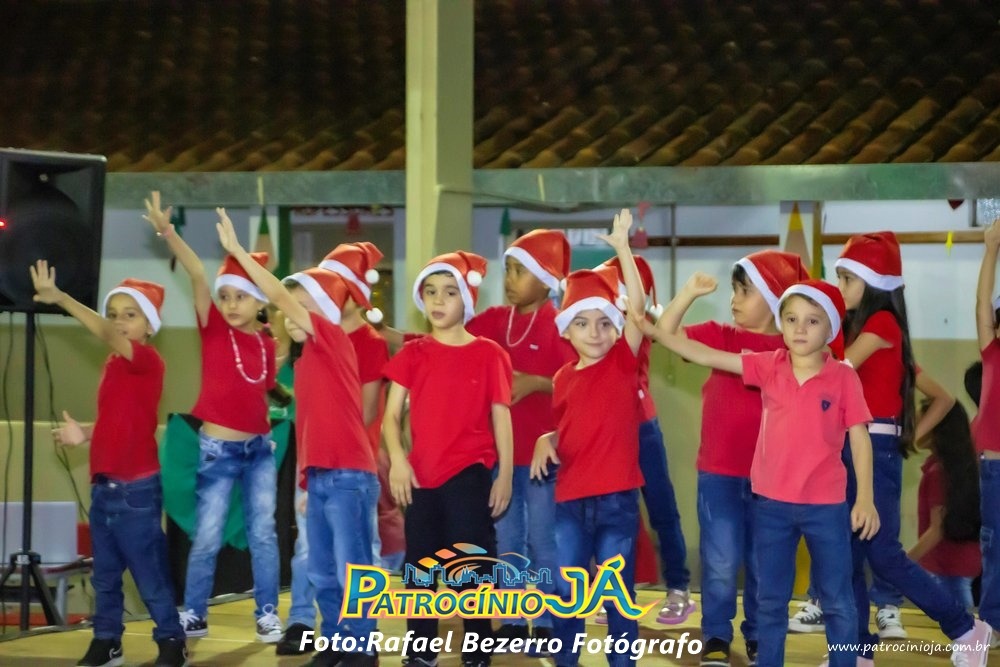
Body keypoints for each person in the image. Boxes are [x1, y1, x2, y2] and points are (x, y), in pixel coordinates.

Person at [640, 278, 879, 667]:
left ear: (831, 328)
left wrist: (865, 498)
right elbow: (704, 354)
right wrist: (656, 332)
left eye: (812, 321)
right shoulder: (768, 365)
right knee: (770, 601)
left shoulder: (844, 377)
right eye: (791, 319)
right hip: (772, 507)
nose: (800, 329)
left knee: (837, 600)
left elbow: (860, 438)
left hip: (826, 507)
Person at [217, 212, 379, 666]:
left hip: (350, 476)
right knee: (322, 570)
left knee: (352, 569)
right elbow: (309, 427)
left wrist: (239, 254)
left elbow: (276, 296)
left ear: (322, 310)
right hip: (321, 476)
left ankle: (362, 647)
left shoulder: (332, 339)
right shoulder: (305, 362)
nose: (290, 312)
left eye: (301, 304)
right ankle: (336, 640)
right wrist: (306, 481)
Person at [830, 231, 990, 665]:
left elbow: (838, 370)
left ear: (873, 283)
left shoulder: (882, 324)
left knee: (883, 554)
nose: (840, 287)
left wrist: (902, 435)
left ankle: (964, 627)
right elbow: (942, 397)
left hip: (873, 449)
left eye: (846, 279)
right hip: (855, 448)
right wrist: (909, 435)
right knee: (848, 557)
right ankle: (855, 652)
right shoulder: (873, 332)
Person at [656, 250, 808, 666]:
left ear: (774, 298)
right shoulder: (721, 335)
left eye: (745, 291)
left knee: (765, 562)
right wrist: (688, 293)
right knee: (720, 560)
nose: (734, 300)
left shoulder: (794, 351)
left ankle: (758, 633)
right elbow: (665, 333)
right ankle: (716, 635)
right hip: (719, 472)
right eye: (734, 290)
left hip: (773, 479)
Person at [142, 192, 282, 642]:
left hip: (258, 451)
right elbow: (198, 272)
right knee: (206, 535)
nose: (231, 304)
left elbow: (263, 390)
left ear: (259, 302)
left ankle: (267, 613)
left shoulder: (266, 344)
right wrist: (168, 233)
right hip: (218, 450)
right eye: (225, 297)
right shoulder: (215, 329)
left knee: (264, 534)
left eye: (241, 296)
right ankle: (196, 612)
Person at [31, 264, 187, 667]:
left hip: (136, 492)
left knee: (149, 575)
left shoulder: (147, 361)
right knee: (104, 576)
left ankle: (172, 640)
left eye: (129, 315)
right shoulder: (114, 366)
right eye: (113, 314)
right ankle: (107, 641)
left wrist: (62, 299)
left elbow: (105, 334)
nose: (118, 322)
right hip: (104, 488)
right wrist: (84, 433)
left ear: (149, 326)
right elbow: (119, 421)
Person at [383, 250, 513, 667]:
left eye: (450, 292)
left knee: (471, 565)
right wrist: (398, 460)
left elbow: (502, 417)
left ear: (467, 299)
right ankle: (421, 650)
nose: (439, 300)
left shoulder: (490, 354)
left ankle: (477, 647)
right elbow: (390, 418)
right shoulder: (413, 354)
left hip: (470, 474)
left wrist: (505, 475)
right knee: (419, 568)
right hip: (421, 478)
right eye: (431, 292)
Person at [530, 208, 647, 667]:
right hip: (570, 502)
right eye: (582, 323)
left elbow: (638, 310)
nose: (595, 332)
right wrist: (547, 437)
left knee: (618, 596)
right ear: (567, 330)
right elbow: (572, 428)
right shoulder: (561, 378)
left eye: (604, 322)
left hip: (617, 499)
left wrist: (623, 250)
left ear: (616, 328)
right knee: (567, 592)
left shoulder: (622, 362)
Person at [446, 229, 573, 648]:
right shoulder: (496, 321)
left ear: (546, 279)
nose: (510, 279)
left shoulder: (560, 325)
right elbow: (446, 337)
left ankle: (551, 621)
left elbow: (581, 381)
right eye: (509, 270)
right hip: (500, 456)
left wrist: (537, 382)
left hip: (543, 457)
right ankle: (515, 619)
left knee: (544, 540)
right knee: (507, 541)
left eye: (520, 271)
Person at [593, 253, 695, 629]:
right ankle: (616, 593)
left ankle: (679, 587)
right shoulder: (597, 322)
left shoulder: (638, 324)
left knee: (661, 509)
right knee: (613, 514)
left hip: (641, 427)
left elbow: (637, 315)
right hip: (606, 432)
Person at [318, 241, 404, 573]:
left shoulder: (370, 343)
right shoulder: (320, 338)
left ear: (355, 293)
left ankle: (371, 596)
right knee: (318, 549)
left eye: (336, 288)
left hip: (356, 459)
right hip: (322, 459)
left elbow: (366, 412)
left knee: (360, 544)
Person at [908, 400, 981, 611]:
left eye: (919, 421)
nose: (914, 428)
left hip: (946, 568)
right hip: (958, 566)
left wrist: (903, 562)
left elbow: (936, 530)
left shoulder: (938, 473)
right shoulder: (955, 468)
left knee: (960, 624)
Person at [975, 217, 1000, 648]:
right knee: (995, 546)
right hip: (995, 468)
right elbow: (982, 303)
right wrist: (991, 247)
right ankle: (992, 621)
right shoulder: (992, 350)